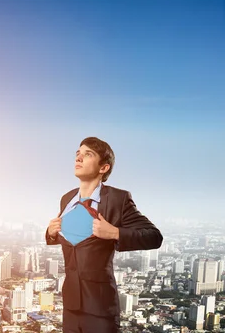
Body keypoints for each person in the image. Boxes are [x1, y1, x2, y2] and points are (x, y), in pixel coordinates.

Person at [46, 137, 163, 333]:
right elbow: (74, 237)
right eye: (78, 153)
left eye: (88, 154)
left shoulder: (118, 199)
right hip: (71, 304)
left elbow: (154, 236)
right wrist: (50, 233)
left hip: (100, 306)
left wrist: (114, 232)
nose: (79, 158)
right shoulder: (66, 199)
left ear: (103, 168)